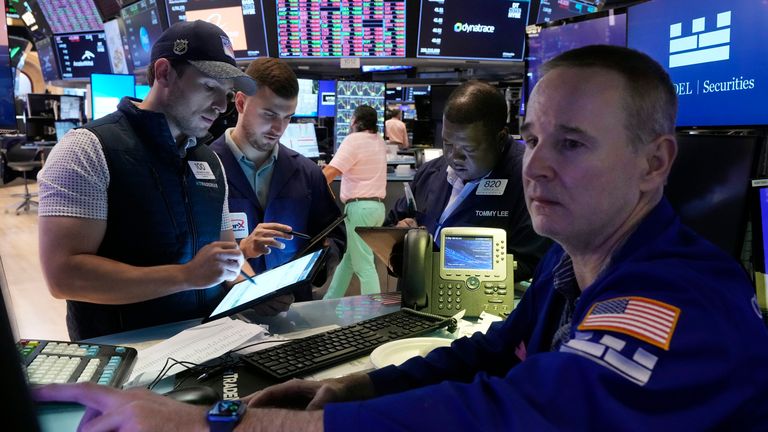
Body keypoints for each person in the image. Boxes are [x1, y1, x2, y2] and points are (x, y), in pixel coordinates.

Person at [32, 45, 768, 430]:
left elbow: (525, 415)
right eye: (535, 137)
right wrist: (355, 386)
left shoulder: (680, 301)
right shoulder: (577, 268)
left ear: (654, 162)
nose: (537, 165)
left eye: (572, 144)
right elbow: (491, 353)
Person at [36, 21, 289, 341]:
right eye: (210, 87)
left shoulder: (210, 161)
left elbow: (223, 263)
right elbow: (64, 276)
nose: (221, 106)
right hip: (127, 355)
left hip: (207, 344)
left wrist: (252, 292)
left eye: (226, 94)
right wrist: (185, 276)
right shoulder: (88, 149)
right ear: (164, 72)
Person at [209, 57, 345, 301]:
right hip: (223, 318)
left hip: (293, 311)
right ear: (240, 102)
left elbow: (335, 236)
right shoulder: (204, 169)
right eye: (269, 114)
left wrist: (321, 257)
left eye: (287, 117)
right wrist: (243, 251)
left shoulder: (308, 173)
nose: (278, 128)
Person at [387, 80, 549, 281]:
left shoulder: (531, 181)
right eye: (447, 144)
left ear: (500, 139)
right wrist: (400, 237)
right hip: (416, 304)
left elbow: (531, 263)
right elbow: (391, 228)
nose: (454, 157)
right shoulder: (431, 172)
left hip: (490, 309)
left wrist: (439, 259)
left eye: (468, 149)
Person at [322, 105, 387, 298]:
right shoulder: (379, 140)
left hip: (359, 209)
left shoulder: (353, 140)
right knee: (350, 260)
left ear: (354, 121)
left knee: (364, 265)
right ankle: (328, 302)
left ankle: (374, 313)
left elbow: (330, 173)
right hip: (376, 209)